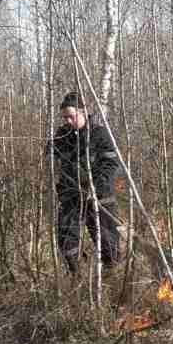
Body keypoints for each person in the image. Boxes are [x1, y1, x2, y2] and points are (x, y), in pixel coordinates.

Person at [49, 90, 122, 276]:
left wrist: (94, 186)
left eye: (71, 116)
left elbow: (111, 163)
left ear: (82, 112)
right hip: (71, 197)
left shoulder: (99, 134)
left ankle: (111, 283)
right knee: (66, 240)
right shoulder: (61, 136)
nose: (67, 121)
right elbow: (50, 162)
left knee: (109, 245)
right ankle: (78, 279)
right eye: (64, 117)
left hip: (99, 197)